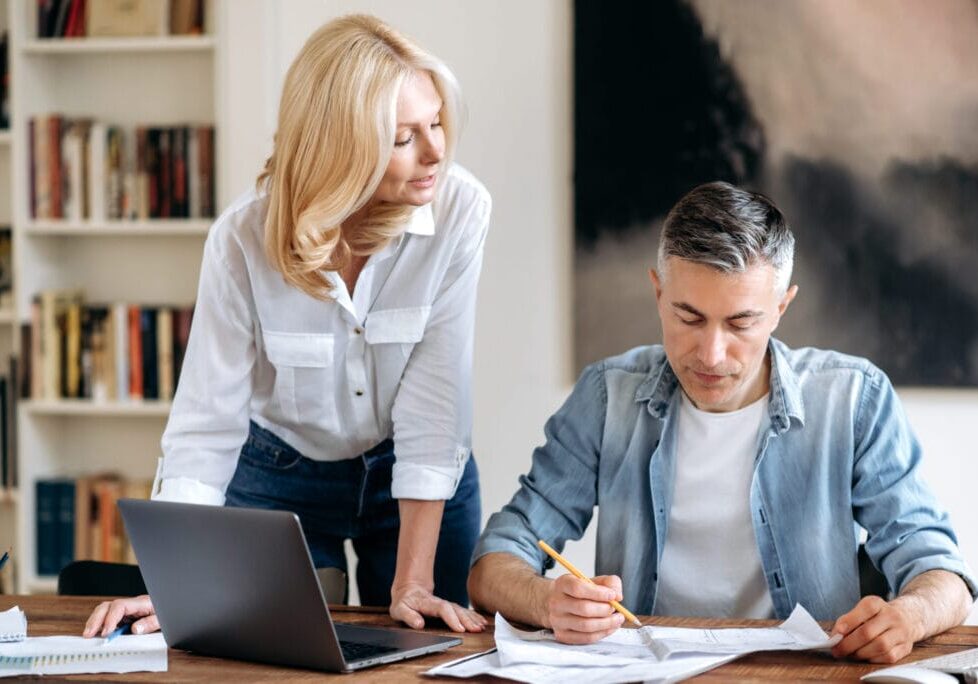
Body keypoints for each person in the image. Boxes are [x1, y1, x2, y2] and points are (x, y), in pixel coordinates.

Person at [84, 14, 491, 639]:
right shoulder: (241, 241)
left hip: (416, 475)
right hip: (280, 478)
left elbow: (436, 402)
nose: (437, 150)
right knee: (285, 655)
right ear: (342, 144)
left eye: (436, 122)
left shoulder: (461, 209)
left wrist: (413, 580)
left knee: (428, 647)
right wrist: (175, 585)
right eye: (405, 137)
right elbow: (206, 424)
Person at [467, 182, 976, 663]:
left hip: (801, 674)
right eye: (689, 318)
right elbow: (496, 560)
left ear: (781, 307)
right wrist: (546, 600)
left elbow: (941, 570)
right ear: (657, 293)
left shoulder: (853, 399)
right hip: (645, 671)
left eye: (741, 323)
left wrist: (908, 616)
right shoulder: (607, 397)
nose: (711, 354)